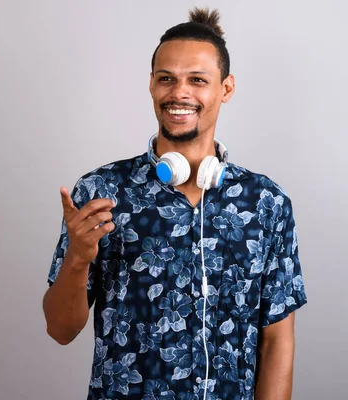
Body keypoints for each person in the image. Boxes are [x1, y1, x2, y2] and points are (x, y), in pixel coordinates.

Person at [42, 7, 307, 400]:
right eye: (167, 79)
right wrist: (78, 259)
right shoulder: (100, 192)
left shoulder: (266, 203)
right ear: (151, 84)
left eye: (197, 80)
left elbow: (277, 344)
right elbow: (60, 330)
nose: (179, 93)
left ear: (226, 88)